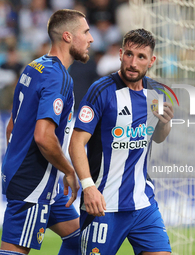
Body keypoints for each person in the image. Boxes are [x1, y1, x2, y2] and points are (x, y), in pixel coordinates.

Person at [69, 28, 173, 255]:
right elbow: (76, 142)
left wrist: (164, 124)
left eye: (141, 57)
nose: (133, 63)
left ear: (151, 61)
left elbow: (157, 137)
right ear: (120, 53)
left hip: (143, 203)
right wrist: (89, 188)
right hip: (103, 204)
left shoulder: (156, 93)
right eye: (129, 54)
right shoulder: (101, 90)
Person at [0, 9, 93, 255]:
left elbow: (12, 125)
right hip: (32, 182)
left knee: (80, 240)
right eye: (85, 32)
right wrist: (68, 170)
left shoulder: (34, 66)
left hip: (39, 180)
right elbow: (43, 136)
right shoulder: (58, 78)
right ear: (67, 36)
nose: (91, 39)